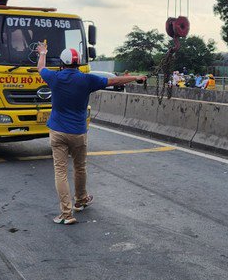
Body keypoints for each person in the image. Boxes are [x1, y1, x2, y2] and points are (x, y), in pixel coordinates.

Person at [36, 42, 146, 225]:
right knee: (80, 167)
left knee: (60, 171)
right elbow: (114, 81)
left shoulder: (54, 77)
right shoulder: (87, 80)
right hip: (78, 132)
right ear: (78, 64)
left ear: (62, 64)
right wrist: (136, 77)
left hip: (57, 131)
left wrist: (43, 52)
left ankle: (66, 213)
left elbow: (41, 68)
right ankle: (81, 200)